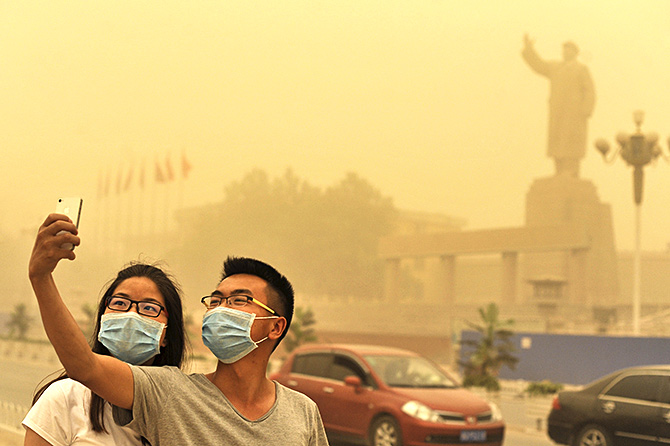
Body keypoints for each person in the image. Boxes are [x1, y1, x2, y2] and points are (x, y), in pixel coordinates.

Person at [28, 213, 329, 446]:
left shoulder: (302, 412)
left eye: (239, 300)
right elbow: (84, 365)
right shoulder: (171, 392)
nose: (221, 309)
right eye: (216, 300)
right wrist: (41, 278)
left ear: (276, 326)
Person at [22, 260, 188, 446]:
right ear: (103, 319)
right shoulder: (66, 397)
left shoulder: (180, 410)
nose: (131, 314)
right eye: (120, 303)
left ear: (167, 333)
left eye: (149, 308)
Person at [522, 33, 596, 178]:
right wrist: (529, 48)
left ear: (575, 53)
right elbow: (538, 65)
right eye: (563, 49)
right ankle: (559, 170)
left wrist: (586, 110)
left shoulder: (581, 69)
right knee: (557, 140)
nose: (565, 52)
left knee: (571, 141)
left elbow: (590, 91)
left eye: (568, 49)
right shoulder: (555, 67)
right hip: (557, 111)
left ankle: (571, 170)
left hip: (575, 113)